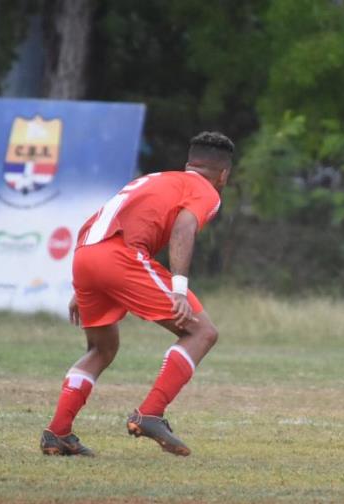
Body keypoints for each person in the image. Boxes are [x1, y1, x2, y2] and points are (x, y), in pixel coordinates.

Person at [40, 132, 234, 457]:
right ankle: (150, 413)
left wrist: (85, 281)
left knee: (102, 348)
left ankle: (57, 433)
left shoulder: (154, 179)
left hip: (86, 253)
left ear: (188, 164)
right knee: (202, 332)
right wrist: (179, 289)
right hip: (120, 256)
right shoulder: (206, 190)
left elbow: (104, 218)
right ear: (223, 175)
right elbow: (184, 227)